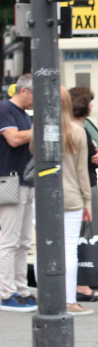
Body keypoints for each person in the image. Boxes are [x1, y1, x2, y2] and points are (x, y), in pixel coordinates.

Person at [69, 86, 98, 301]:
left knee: (80, 236)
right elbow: (83, 164)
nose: (92, 106)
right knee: (85, 235)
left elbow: (92, 156)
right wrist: (86, 200)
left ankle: (80, 284)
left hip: (80, 186)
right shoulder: (79, 130)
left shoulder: (77, 129)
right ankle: (82, 285)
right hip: (83, 188)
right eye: (90, 102)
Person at [0, 74, 36, 312]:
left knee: (23, 241)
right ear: (24, 91)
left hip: (25, 180)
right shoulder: (5, 109)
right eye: (35, 95)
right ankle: (6, 292)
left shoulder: (24, 115)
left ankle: (21, 289)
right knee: (10, 240)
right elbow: (13, 139)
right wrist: (44, 128)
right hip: (9, 179)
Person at [59, 87, 94, 316]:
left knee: (45, 247)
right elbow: (82, 171)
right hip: (71, 195)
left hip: (41, 199)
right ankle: (70, 300)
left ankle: (50, 295)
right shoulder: (77, 132)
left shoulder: (41, 128)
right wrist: (87, 202)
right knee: (69, 247)